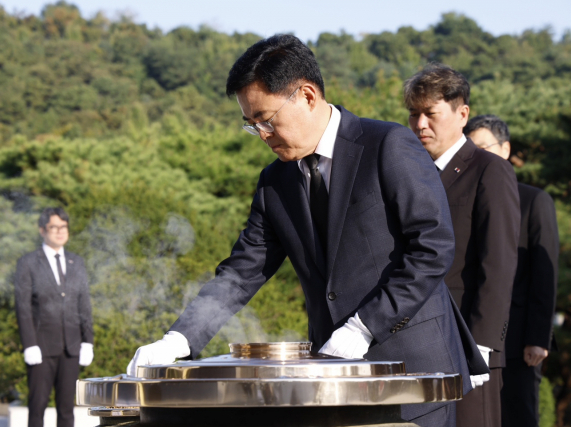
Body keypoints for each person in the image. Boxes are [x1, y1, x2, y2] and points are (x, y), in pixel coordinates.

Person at [127, 35, 488, 427]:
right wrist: (178, 340)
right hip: (332, 379)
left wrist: (363, 327)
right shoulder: (274, 182)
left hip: (411, 368)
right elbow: (240, 272)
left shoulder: (387, 145)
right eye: (251, 126)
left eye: (266, 119)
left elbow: (432, 249)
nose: (262, 134)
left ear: (308, 95)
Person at [405, 65, 520, 427]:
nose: (420, 124)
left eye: (430, 113)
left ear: (462, 114)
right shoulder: (409, 171)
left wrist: (482, 345)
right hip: (416, 342)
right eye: (413, 114)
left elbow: (498, 263)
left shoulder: (489, 170)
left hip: (470, 344)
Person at [465, 115, 559, 427]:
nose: (475, 155)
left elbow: (544, 276)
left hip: (519, 340)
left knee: (518, 415)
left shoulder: (534, 200)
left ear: (505, 149)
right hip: (471, 335)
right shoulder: (463, 199)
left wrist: (538, 337)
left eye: (483, 147)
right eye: (469, 148)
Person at [14, 207, 94, 427]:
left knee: (67, 409)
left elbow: (84, 304)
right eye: (54, 227)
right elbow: (23, 307)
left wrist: (88, 341)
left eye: (64, 226)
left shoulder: (76, 262)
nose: (60, 231)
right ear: (42, 230)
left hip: (71, 347)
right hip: (41, 347)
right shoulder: (28, 263)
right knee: (37, 406)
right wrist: (29, 344)